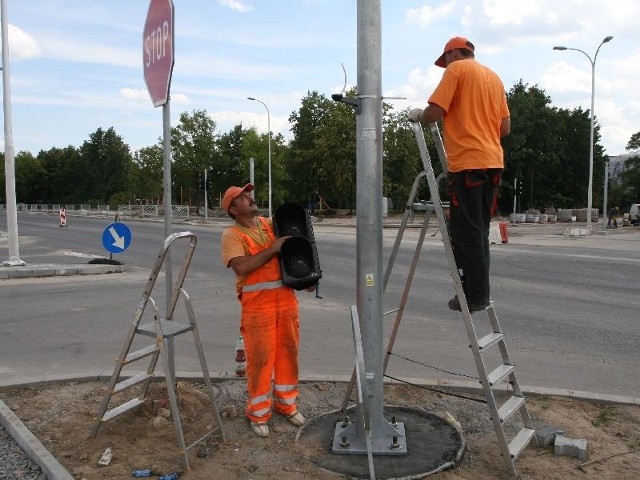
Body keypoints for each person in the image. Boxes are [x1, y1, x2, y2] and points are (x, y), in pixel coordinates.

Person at [408, 36, 510, 313]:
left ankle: (474, 296)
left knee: (467, 233)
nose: (446, 66)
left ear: (453, 53)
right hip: (492, 163)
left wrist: (417, 115)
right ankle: (476, 292)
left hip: (467, 163)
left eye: (446, 60)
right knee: (477, 230)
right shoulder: (494, 77)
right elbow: (504, 129)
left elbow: (435, 112)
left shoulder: (457, 70)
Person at [220, 183, 306, 438]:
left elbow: (295, 249)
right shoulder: (232, 235)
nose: (249, 198)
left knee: (288, 356)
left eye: (249, 194)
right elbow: (241, 267)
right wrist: (273, 249)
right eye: (242, 197)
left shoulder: (271, 225)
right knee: (260, 361)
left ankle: (287, 405)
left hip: (286, 302)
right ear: (233, 209)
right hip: (258, 309)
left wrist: (307, 278)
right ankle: (258, 413)